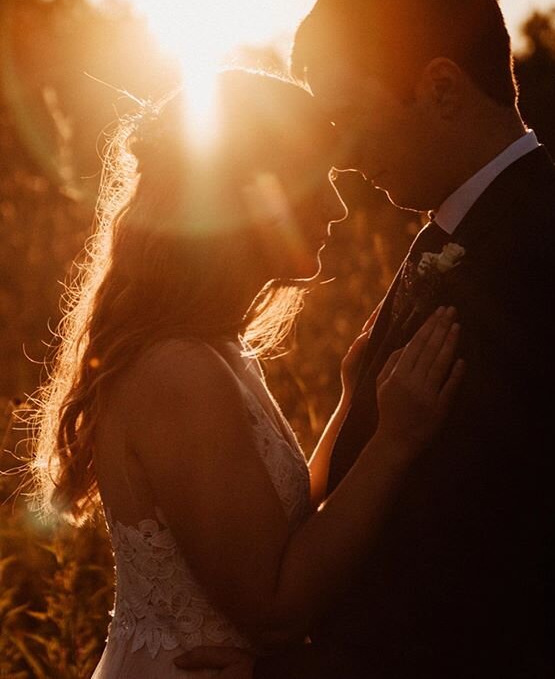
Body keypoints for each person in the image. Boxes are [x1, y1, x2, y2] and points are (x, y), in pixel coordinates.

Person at [176, 0, 555, 678]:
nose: (343, 159)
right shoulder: (464, 230)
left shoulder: (537, 267)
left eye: (349, 117)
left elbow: (473, 581)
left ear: (442, 88)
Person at [31, 69, 465, 678]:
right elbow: (274, 611)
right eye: (317, 181)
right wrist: (394, 444)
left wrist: (350, 397)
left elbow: (274, 526)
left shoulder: (215, 350)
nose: (339, 209)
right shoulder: (179, 372)